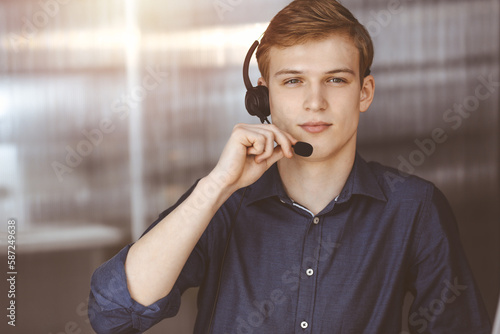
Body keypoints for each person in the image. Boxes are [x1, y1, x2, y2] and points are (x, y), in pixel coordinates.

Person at [88, 0, 492, 333]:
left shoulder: (414, 207)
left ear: (364, 92)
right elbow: (113, 313)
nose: (314, 102)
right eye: (293, 81)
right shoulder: (222, 200)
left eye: (335, 80)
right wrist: (214, 189)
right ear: (263, 98)